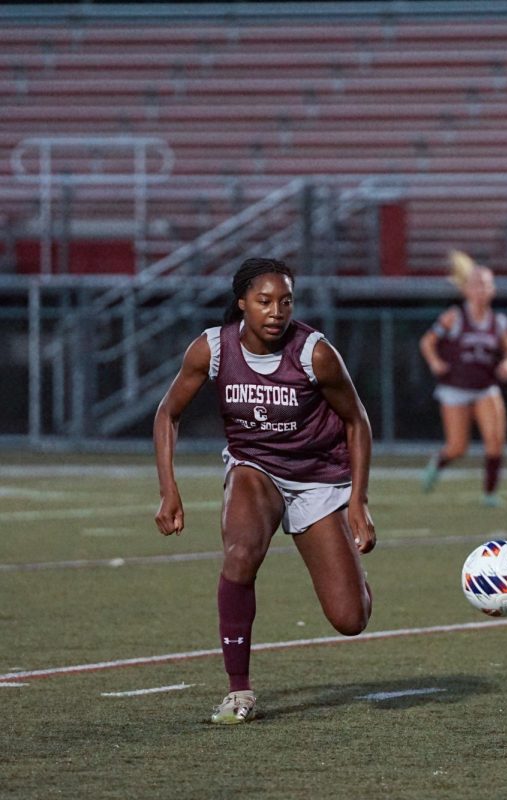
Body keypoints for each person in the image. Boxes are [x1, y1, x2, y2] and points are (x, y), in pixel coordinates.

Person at [154, 257, 375, 725]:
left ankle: (351, 575)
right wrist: (168, 490)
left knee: (350, 619)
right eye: (265, 301)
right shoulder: (211, 349)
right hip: (255, 467)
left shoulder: (315, 353)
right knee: (239, 553)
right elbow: (167, 413)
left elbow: (357, 420)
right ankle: (239, 692)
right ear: (242, 305)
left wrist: (358, 502)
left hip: (317, 478)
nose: (277, 311)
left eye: (286, 301)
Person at [418, 251, 507, 507]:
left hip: (485, 387)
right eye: (476, 284)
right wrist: (435, 362)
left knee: (495, 441)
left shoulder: (498, 322)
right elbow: (427, 342)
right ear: (466, 289)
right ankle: (439, 462)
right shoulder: (453, 317)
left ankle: (489, 494)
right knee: (457, 447)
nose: (482, 290)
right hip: (455, 388)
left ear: (493, 290)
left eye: (486, 284)